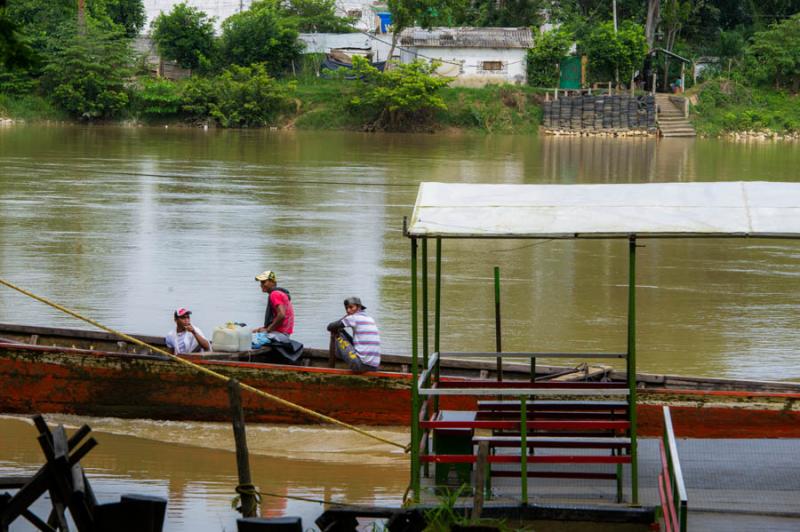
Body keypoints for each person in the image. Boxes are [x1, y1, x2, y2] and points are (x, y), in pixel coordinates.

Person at [327, 297, 380, 371]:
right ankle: (339, 355)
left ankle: (330, 369)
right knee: (341, 331)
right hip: (374, 367)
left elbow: (330, 327)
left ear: (358, 307)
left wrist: (345, 317)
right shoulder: (370, 319)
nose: (348, 310)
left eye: (351, 307)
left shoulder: (354, 318)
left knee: (335, 332)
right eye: (346, 308)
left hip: (359, 365)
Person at [253, 270, 294, 342]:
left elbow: (281, 315)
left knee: (250, 338)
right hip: (284, 334)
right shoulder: (280, 293)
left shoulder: (274, 294)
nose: (261, 285)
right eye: (260, 282)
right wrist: (261, 329)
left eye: (263, 282)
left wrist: (268, 330)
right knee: (254, 332)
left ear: (273, 282)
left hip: (280, 335)